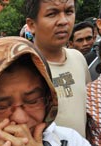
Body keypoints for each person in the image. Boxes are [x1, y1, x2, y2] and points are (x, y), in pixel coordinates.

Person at [26, 0, 91, 138]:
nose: (63, 21)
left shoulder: (78, 58)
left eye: (69, 12)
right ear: (32, 25)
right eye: (52, 14)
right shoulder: (24, 68)